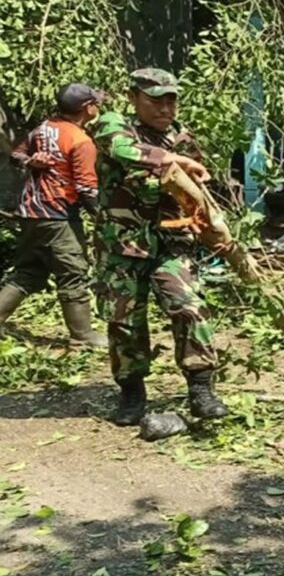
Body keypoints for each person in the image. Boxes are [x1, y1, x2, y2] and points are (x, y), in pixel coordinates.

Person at [94, 68, 227, 426]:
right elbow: (122, 150)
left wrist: (211, 224)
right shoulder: (112, 125)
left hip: (172, 243)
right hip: (123, 243)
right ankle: (132, 392)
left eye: (171, 100)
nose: (165, 108)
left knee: (189, 307)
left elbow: (197, 192)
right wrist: (172, 161)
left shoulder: (182, 138)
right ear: (134, 97)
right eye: (155, 100)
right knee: (124, 320)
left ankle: (201, 389)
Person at [0, 84, 107, 347]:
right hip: (58, 214)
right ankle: (83, 336)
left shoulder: (43, 128)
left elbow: (16, 155)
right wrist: (104, 219)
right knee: (73, 271)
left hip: (30, 212)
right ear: (87, 108)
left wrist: (30, 162)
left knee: (28, 271)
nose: (99, 106)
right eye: (96, 103)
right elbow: (86, 189)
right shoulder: (80, 141)